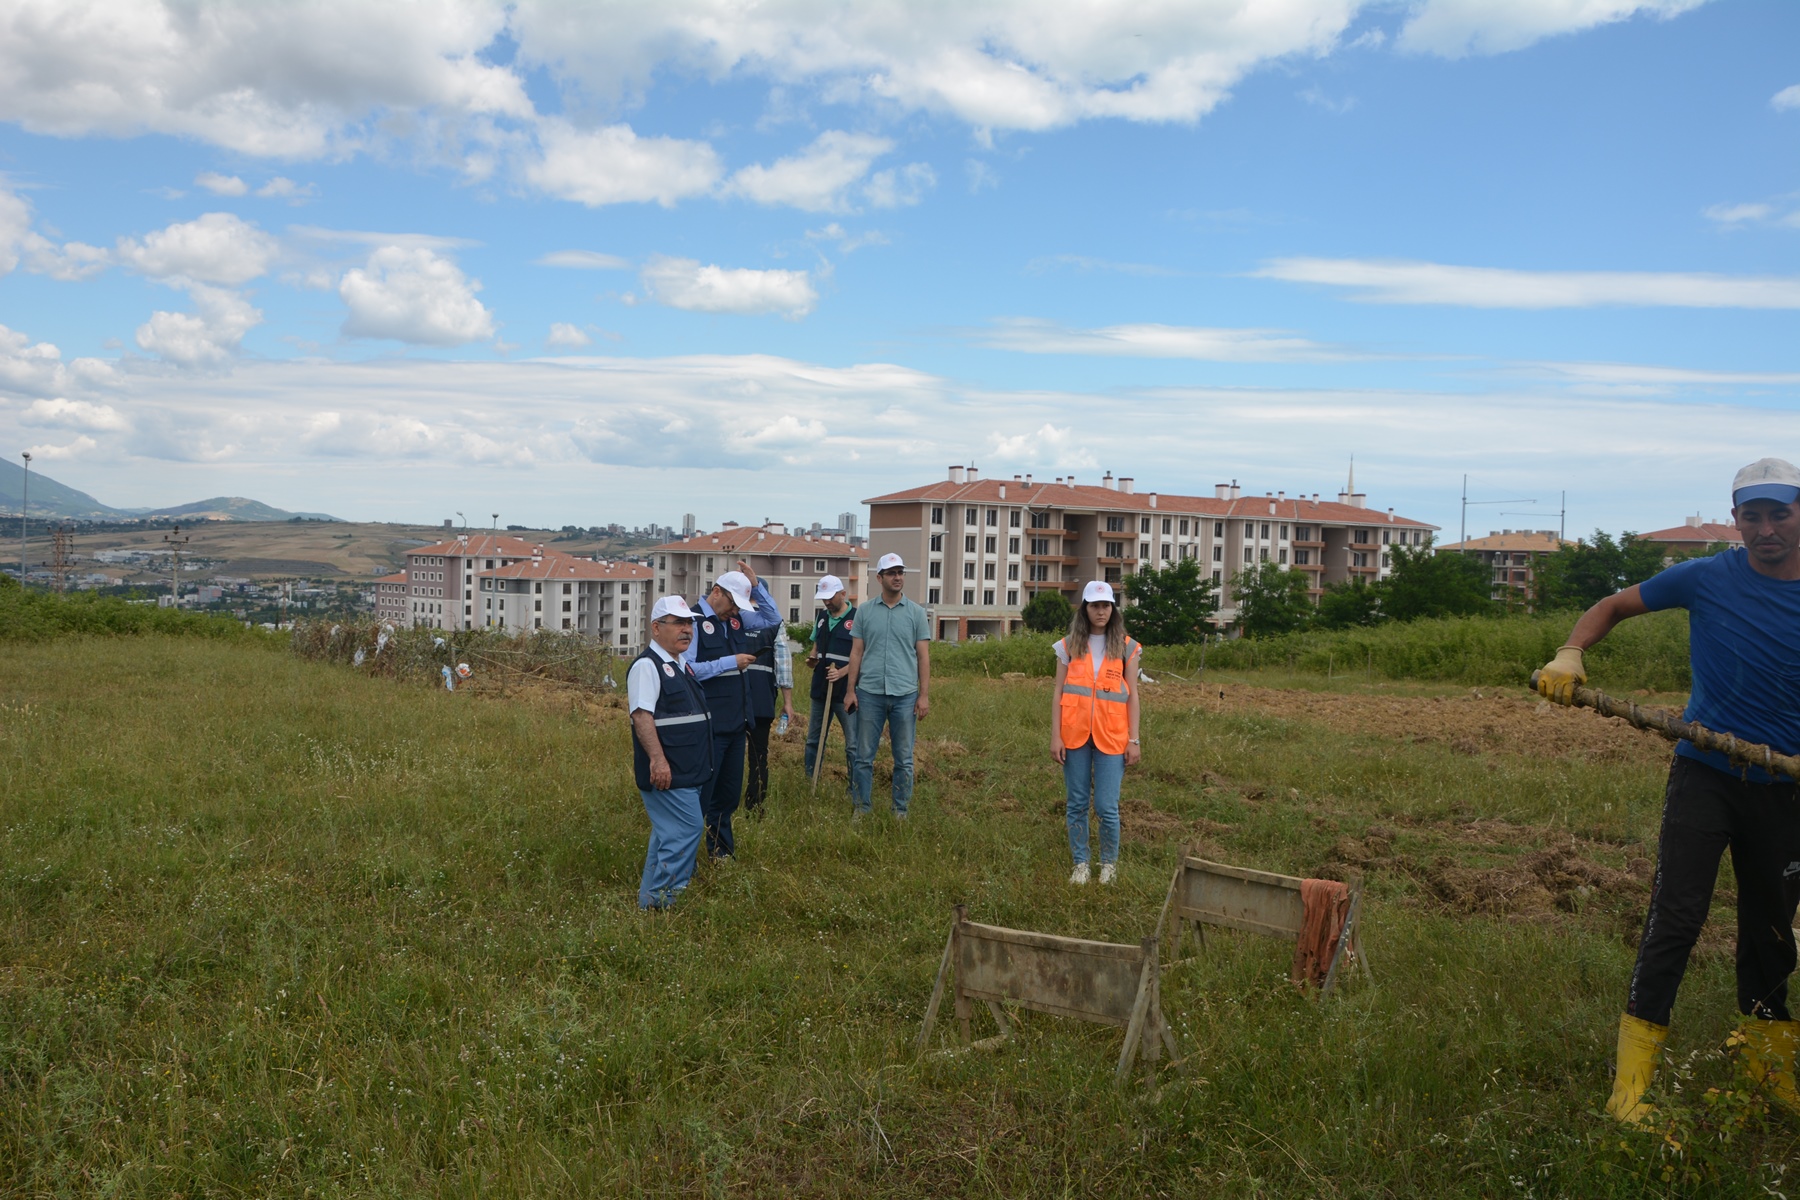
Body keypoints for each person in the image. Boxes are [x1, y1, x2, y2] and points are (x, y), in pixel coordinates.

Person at [1537, 457, 1800, 1124]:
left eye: (1780, 513)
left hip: (1786, 788)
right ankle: (1630, 1090)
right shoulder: (1707, 577)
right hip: (1706, 773)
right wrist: (1572, 653)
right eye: (1753, 515)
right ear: (1736, 518)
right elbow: (1614, 605)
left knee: (1771, 930)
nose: (1766, 528)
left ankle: (1767, 1070)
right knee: (1676, 919)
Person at [683, 560, 781, 860]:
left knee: (727, 796)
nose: (736, 611)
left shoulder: (737, 620)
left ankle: (721, 852)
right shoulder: (693, 620)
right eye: (733, 603)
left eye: (740, 605)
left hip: (738, 722)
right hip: (709, 723)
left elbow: (772, 618)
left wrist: (757, 585)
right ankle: (686, 857)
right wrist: (730, 662)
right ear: (716, 592)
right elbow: (688, 669)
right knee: (703, 795)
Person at [1050, 581, 1143, 885]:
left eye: (1106, 606)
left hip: (1113, 737)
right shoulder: (1067, 647)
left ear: (1113, 609)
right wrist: (1056, 736)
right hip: (1075, 735)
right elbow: (1058, 693)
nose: (1100, 611)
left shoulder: (1128, 647)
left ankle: (1108, 865)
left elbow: (1133, 696)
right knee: (1076, 803)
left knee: (1106, 806)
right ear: (1085, 609)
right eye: (1094, 605)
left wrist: (1134, 740)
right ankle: (1080, 863)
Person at [628, 596, 713, 909]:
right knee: (686, 829)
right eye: (677, 622)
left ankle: (649, 904)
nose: (686, 629)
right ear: (655, 628)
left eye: (689, 622)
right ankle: (665, 902)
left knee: (665, 835)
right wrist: (658, 760)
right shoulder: (647, 667)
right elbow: (641, 716)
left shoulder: (681, 665)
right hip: (668, 773)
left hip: (687, 770)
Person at [845, 553, 931, 818]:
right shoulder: (865, 612)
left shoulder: (916, 613)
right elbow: (856, 653)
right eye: (892, 573)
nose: (897, 577)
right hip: (869, 693)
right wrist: (850, 691)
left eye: (900, 572)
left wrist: (924, 695)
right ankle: (862, 808)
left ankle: (900, 809)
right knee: (863, 756)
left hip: (905, 694)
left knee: (904, 759)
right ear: (879, 578)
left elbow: (923, 656)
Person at [804, 574, 858, 786]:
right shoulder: (822, 617)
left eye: (831, 597)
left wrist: (842, 673)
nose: (827, 602)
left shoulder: (857, 618)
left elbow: (861, 655)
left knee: (852, 744)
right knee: (813, 740)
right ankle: (811, 780)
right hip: (821, 688)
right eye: (823, 598)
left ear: (843, 594)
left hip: (846, 691)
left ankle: (854, 787)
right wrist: (812, 658)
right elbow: (816, 645)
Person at [741, 618, 795, 816]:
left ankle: (721, 803)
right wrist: (787, 702)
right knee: (759, 754)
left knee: (728, 751)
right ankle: (754, 805)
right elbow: (783, 663)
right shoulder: (774, 623)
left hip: (732, 695)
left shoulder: (731, 616)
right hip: (762, 696)